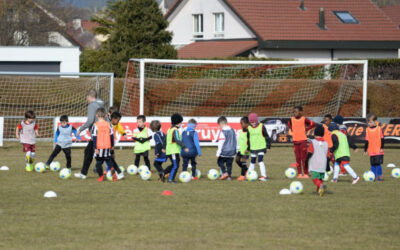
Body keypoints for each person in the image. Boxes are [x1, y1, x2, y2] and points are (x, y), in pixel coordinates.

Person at [75, 89, 106, 179]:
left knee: (89, 152)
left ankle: (83, 174)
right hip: (104, 131)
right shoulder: (102, 103)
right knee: (102, 154)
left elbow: (90, 120)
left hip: (97, 133)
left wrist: (80, 129)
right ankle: (90, 170)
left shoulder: (92, 105)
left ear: (89, 96)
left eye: (87, 97)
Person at [91, 108, 124, 182]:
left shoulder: (95, 125)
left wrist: (95, 148)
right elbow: (112, 136)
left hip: (99, 147)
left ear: (96, 115)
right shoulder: (108, 124)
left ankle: (101, 177)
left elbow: (94, 138)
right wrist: (112, 146)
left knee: (98, 163)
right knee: (108, 160)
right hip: (107, 146)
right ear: (105, 115)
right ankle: (112, 170)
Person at [288, 106, 316, 178]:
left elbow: (313, 124)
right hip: (295, 141)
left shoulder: (304, 119)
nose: (295, 113)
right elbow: (289, 124)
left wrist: (306, 129)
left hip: (303, 141)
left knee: (304, 158)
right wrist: (292, 129)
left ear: (300, 112)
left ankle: (306, 173)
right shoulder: (291, 119)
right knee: (298, 158)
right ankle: (299, 173)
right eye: (294, 112)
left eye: (296, 112)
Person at [306, 125, 329, 197]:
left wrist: (306, 160)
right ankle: (318, 191)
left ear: (315, 133)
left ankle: (320, 185)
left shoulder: (313, 142)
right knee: (320, 178)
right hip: (323, 164)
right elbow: (328, 156)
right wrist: (327, 166)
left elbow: (310, 152)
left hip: (315, 163)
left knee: (315, 178)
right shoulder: (326, 143)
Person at [247, 113, 271, 181]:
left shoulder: (262, 126)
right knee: (252, 162)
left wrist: (268, 145)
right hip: (253, 148)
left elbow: (266, 136)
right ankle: (249, 174)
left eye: (254, 121)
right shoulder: (249, 128)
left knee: (260, 161)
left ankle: (264, 176)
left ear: (257, 120)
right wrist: (248, 147)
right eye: (251, 122)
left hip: (261, 147)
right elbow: (248, 138)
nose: (253, 123)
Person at [165, 113, 187, 183]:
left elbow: (166, 139)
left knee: (175, 164)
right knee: (175, 166)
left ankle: (163, 173)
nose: (181, 124)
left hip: (171, 151)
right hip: (173, 151)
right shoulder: (175, 130)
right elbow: (177, 140)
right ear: (178, 123)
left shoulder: (169, 129)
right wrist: (184, 146)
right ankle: (170, 179)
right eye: (181, 122)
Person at [364, 114, 384, 181]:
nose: (369, 123)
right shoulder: (367, 130)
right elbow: (366, 141)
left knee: (378, 164)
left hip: (378, 150)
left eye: (370, 122)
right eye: (368, 122)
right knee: (372, 165)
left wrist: (382, 147)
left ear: (375, 121)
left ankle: (379, 177)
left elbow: (382, 139)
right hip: (371, 151)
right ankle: (374, 177)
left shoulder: (379, 129)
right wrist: (365, 150)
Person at [216, 116, 237, 181]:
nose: (219, 127)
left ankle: (224, 173)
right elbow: (235, 141)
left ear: (222, 124)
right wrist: (235, 150)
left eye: (219, 125)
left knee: (219, 162)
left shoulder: (223, 132)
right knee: (229, 165)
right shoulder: (233, 130)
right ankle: (229, 177)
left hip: (225, 151)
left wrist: (218, 153)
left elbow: (221, 143)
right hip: (232, 151)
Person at [236, 116, 250, 181]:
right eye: (240, 123)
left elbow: (251, 141)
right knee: (237, 160)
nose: (241, 125)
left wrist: (248, 149)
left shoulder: (249, 132)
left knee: (243, 161)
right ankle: (247, 170)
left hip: (246, 150)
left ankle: (242, 176)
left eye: (242, 123)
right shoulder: (241, 131)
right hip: (241, 149)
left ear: (247, 124)